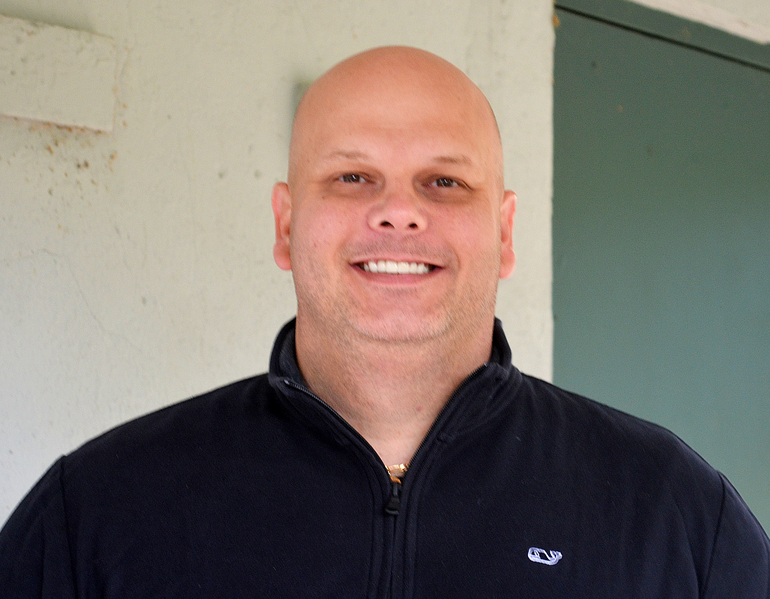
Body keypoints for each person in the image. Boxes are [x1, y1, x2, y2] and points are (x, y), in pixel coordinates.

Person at [0, 46, 768, 598]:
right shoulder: (97, 511)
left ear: (504, 233)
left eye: (444, 181)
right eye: (352, 175)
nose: (399, 211)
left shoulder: (673, 514)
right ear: (285, 224)